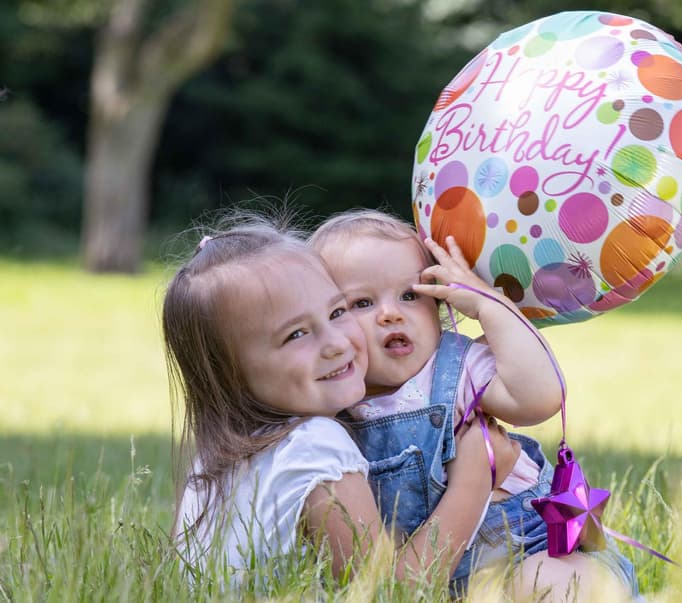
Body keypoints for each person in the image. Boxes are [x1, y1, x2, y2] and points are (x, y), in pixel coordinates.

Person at [166, 212, 520, 588]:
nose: (336, 343)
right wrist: (477, 475)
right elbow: (392, 593)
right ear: (229, 373)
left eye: (338, 312)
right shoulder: (316, 449)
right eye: (297, 334)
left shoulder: (213, 464)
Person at [309, 209, 638, 600]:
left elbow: (538, 398)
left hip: (538, 550)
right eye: (362, 303)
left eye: (411, 295)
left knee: (546, 584)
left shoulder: (456, 367)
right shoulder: (331, 407)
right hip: (442, 579)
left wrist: (488, 306)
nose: (391, 313)